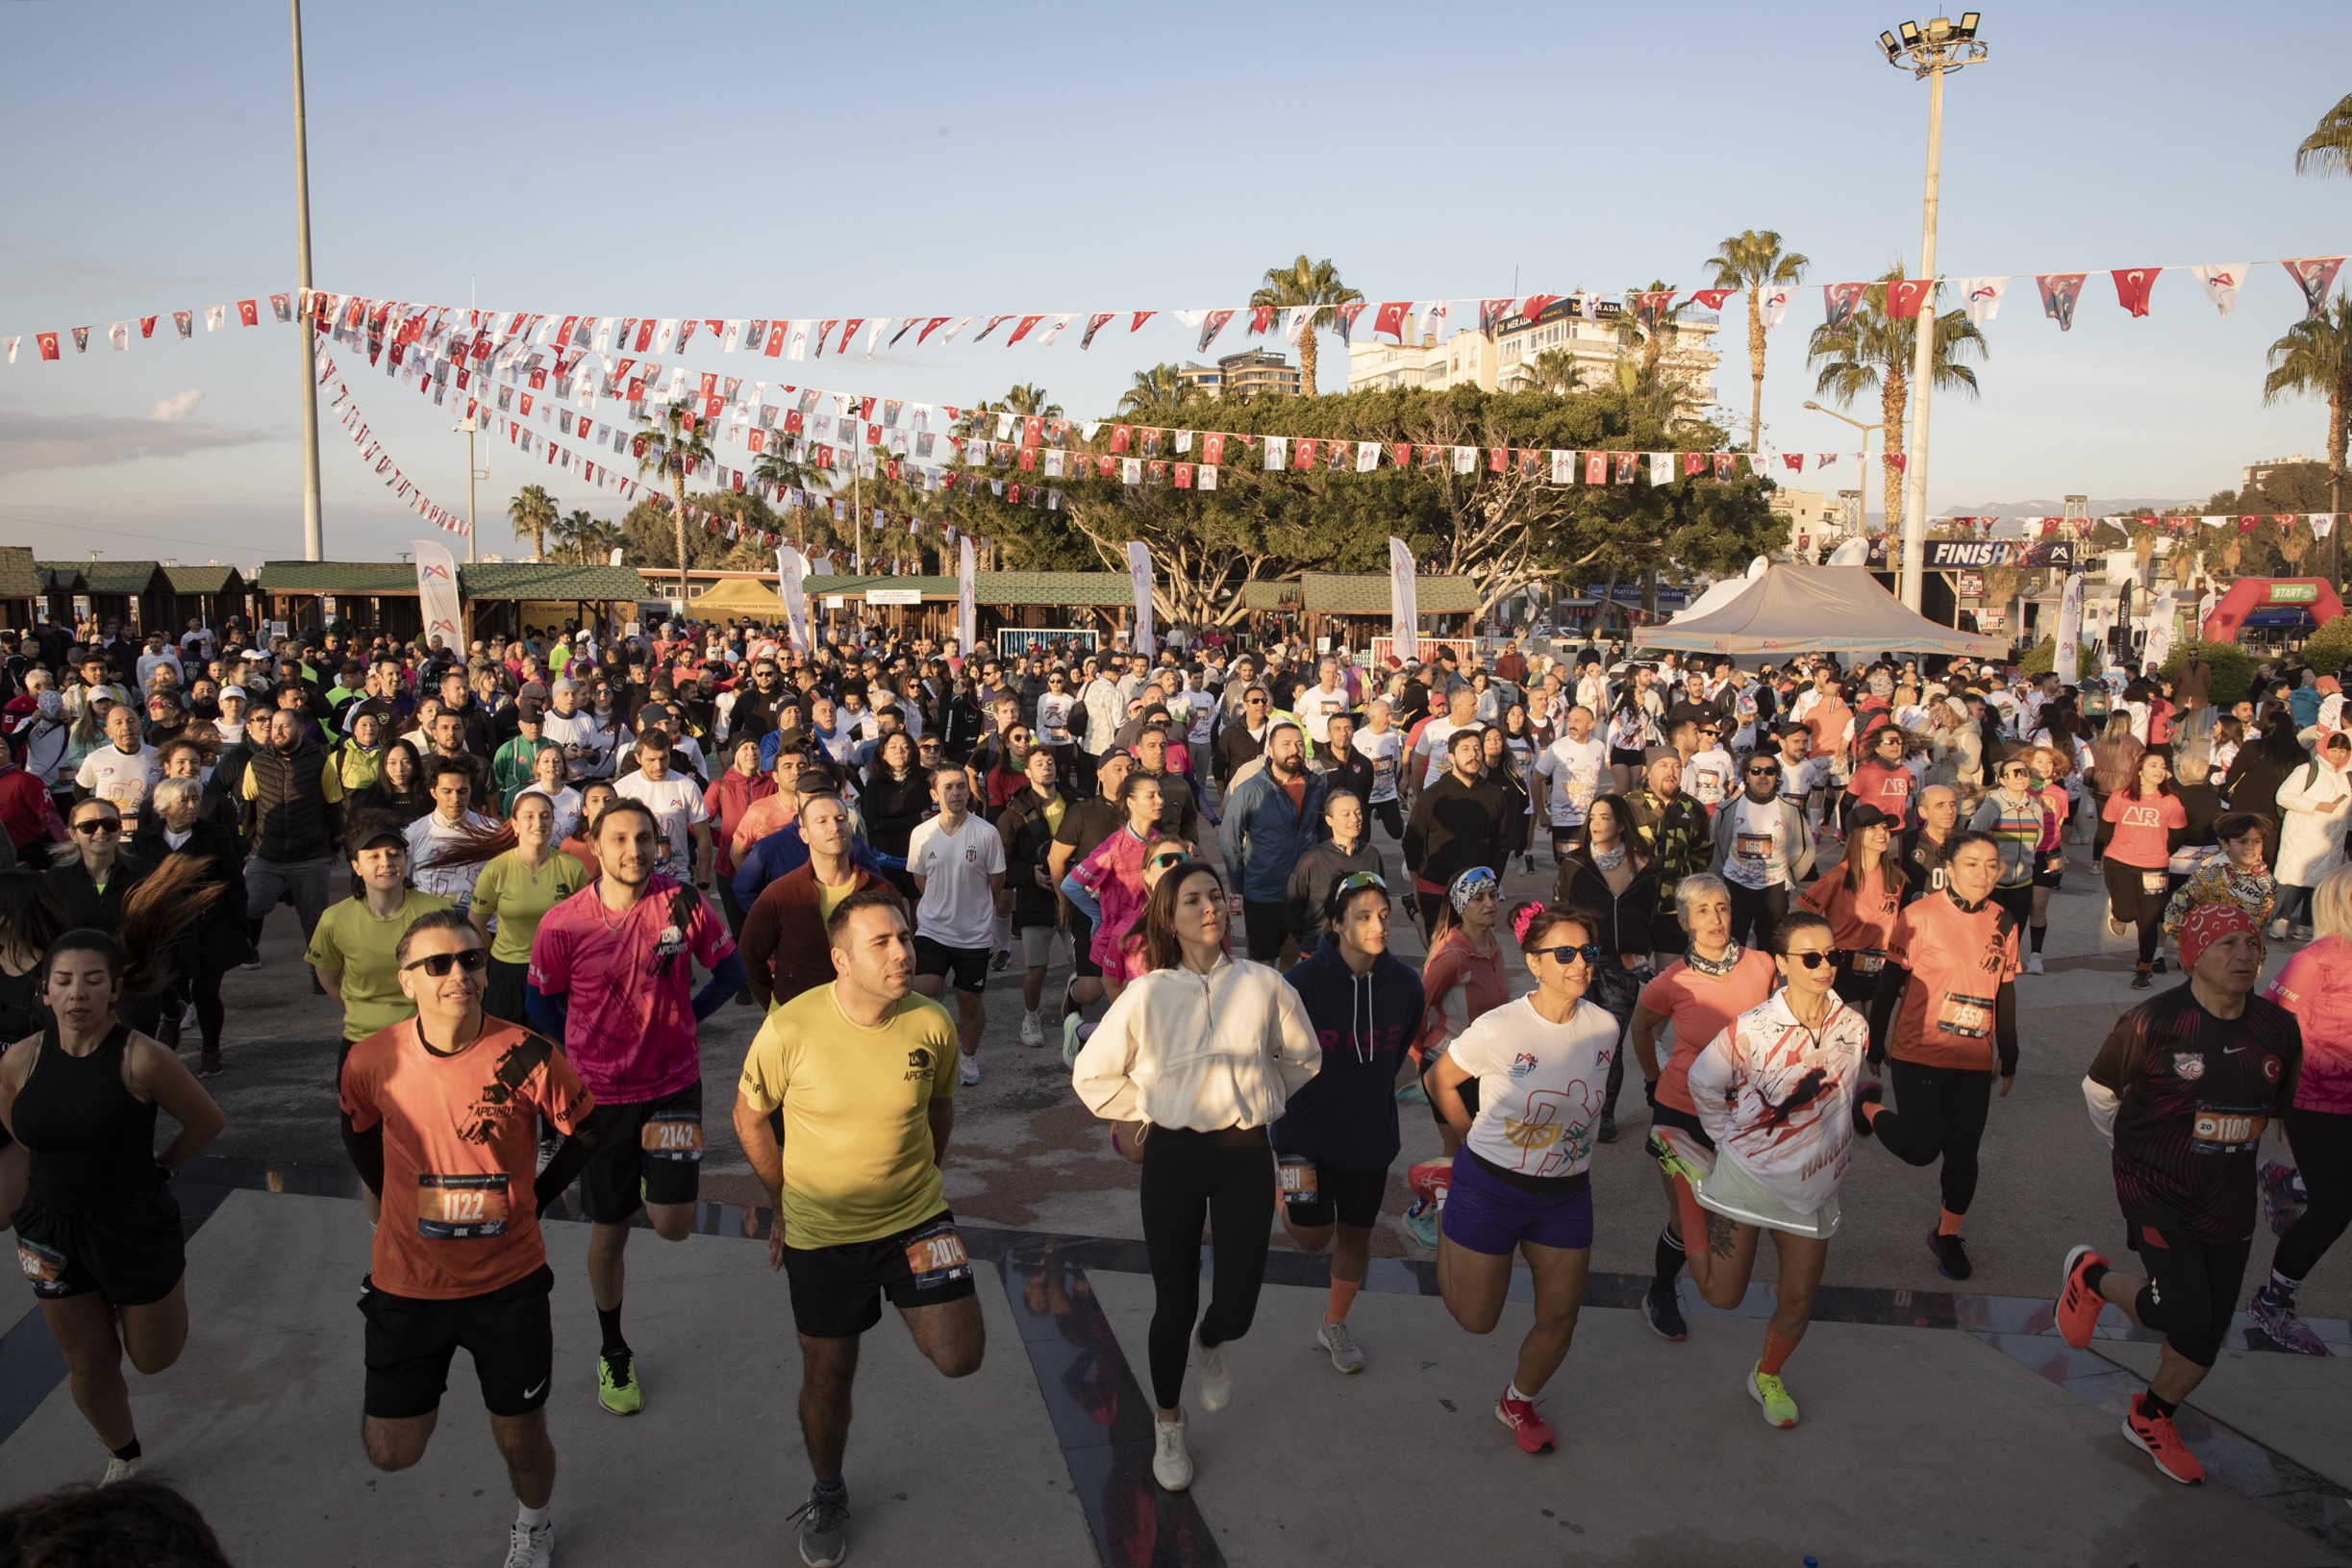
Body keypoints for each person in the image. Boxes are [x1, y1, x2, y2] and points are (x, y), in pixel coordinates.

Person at [339, 908, 597, 1568]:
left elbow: (587, 1131)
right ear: (407, 981)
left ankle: (534, 1524)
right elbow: (358, 1129)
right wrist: (394, 1198)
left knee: (521, 1440)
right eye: (439, 963)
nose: (460, 972)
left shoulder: (531, 1054)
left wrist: (535, 1197)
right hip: (407, 1286)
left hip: (507, 1286)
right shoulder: (371, 1059)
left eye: (472, 959)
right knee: (390, 1452)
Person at [731, 888, 981, 1567]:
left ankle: (906, 1293)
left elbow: (938, 1112)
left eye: (905, 937)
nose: (903, 952)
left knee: (962, 1355)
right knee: (830, 1377)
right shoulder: (791, 1027)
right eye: (883, 942)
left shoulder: (932, 1022)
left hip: (916, 1219)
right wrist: (782, 1202)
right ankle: (827, 1490)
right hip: (823, 1236)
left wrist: (923, 1183)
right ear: (841, 960)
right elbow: (748, 1117)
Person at [1070, 860, 1320, 1492]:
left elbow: (1303, 1057)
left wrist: (1261, 1093)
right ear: (1169, 917)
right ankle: (1168, 1423)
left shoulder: (1264, 984)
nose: (1209, 906)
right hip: (1173, 1157)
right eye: (1192, 899)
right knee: (1173, 1303)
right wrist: (1148, 1105)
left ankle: (1215, 1340)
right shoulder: (1147, 994)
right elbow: (1092, 1074)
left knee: (1237, 1304)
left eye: (1215, 895)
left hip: (1244, 1152)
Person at [2056, 903, 2302, 1484]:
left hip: (2229, 1196)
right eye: (2227, 944)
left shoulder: (2277, 1028)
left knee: (2206, 1335)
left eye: (2252, 943)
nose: (2244, 954)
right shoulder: (2153, 1021)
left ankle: (2151, 1417)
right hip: (2156, 1186)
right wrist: (2127, 1146)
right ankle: (2092, 1278)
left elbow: (2281, 1111)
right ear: (2193, 956)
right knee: (2186, 1313)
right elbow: (2098, 1089)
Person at [525, 797, 745, 1416]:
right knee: (610, 1231)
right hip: (598, 1102)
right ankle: (613, 1348)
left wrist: (685, 1022)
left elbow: (730, 975)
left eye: (644, 838)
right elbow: (540, 1002)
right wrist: (578, 1046)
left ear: (658, 844)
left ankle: (656, 1174)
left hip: (673, 1087)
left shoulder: (684, 903)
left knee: (673, 1225)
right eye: (619, 838)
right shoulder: (563, 922)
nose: (633, 850)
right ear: (594, 846)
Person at [0, 928, 225, 1484]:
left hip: (133, 1225)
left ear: (115, 990)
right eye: (63, 981)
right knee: (87, 1360)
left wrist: (163, 1168)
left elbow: (206, 1122)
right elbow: (19, 1130)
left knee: (153, 1357)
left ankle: (149, 1296)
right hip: (50, 1230)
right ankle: (123, 1455)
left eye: (93, 981)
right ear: (45, 991)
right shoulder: (19, 1061)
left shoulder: (143, 1058)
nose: (77, 993)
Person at [1648, 910, 1871, 1427]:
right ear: (1782, 964)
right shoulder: (1752, 1028)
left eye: (1832, 955)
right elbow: (1703, 1079)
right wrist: (1724, 1137)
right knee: (1720, 1295)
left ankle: (1766, 1376)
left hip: (1813, 1192)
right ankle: (1689, 1176)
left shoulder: (1855, 1027)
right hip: (1746, 1180)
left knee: (1798, 1301)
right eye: (1811, 957)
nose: (1825, 966)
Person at [1426, 903, 1616, 1456]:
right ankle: (1444, 1196)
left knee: (1560, 1317)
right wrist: (1467, 1142)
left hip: (1565, 1196)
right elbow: (1440, 1080)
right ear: (1534, 963)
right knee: (1475, 1320)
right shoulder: (1499, 1028)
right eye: (1565, 953)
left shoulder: (1605, 1027)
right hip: (1488, 1188)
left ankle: (1518, 1400)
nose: (1580, 963)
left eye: (1588, 951)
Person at [1274, 871, 1422, 1373]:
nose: (1378, 926)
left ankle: (1334, 1323)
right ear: (1336, 924)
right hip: (1302, 1135)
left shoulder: (1405, 985)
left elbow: (1396, 1052)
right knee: (1312, 1236)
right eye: (1363, 917)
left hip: (1368, 1135)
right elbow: (1271, 1053)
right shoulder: (1298, 984)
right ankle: (1282, 1187)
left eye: (1383, 915)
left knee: (1356, 1235)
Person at [1856, 832, 2019, 1281]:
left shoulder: (2005, 920)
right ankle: (1867, 1107)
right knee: (1920, 1148)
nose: (1983, 874)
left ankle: (1948, 1235)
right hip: (1919, 1051)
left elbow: (2005, 990)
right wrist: (1876, 1041)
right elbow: (1889, 983)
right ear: (1949, 867)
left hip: (1973, 1057)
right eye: (1972, 864)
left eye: (1991, 865)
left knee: (1963, 1153)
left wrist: (2010, 1052)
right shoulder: (1919, 915)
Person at [1626, 871, 1780, 1341]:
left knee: (1727, 1214)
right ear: (1684, 921)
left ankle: (1717, 1284)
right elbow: (1641, 1029)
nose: (1716, 919)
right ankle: (1661, 1293)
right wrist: (1653, 1080)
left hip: (1745, 1115)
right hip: (1682, 1112)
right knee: (1685, 1215)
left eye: (1722, 908)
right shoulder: (1671, 980)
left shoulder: (1763, 965)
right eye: (1703, 910)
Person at [2248, 862, 2352, 1356]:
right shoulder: (2317, 959)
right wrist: (2268, 1100)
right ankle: (2272, 1302)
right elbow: (2270, 1025)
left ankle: (2289, 1183)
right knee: (2335, 1210)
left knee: (2337, 1192)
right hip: (2315, 1099)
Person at [740, 793, 903, 1011]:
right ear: (804, 834)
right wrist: (779, 1006)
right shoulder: (781, 894)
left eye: (841, 819)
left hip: (868, 1016)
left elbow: (902, 948)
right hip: (799, 1017)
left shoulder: (881, 890)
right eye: (822, 821)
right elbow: (748, 955)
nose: (834, 827)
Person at [130, 778, 247, 1074]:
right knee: (169, 987)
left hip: (210, 927)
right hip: (167, 931)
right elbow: (138, 889)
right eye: (185, 800)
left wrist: (242, 929)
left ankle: (210, 1049)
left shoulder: (214, 834)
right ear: (164, 806)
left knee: (206, 993)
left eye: (196, 799)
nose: (193, 806)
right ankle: (172, 1015)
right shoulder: (144, 840)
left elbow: (234, 882)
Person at [906, 765, 1006, 1086]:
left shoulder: (986, 833)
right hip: (932, 929)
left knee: (969, 1003)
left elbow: (997, 881)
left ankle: (969, 1056)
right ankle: (922, 1050)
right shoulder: (921, 834)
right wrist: (941, 903)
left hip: (974, 936)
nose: (956, 793)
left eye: (961, 786)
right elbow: (921, 879)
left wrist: (974, 908)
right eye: (948, 787)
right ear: (934, 794)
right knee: (922, 989)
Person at [467, 792, 589, 1027]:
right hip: (507, 972)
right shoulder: (496, 869)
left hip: (556, 971)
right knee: (508, 1041)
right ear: (515, 825)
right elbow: (476, 925)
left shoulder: (572, 868)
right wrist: (494, 962)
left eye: (545, 816)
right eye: (529, 816)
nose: (538, 823)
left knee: (555, 1042)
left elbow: (587, 925)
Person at [239, 706, 344, 964]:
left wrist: (334, 846)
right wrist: (250, 845)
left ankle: (319, 973)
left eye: (285, 726)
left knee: (314, 920)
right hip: (267, 853)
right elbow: (249, 809)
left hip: (310, 855)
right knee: (252, 904)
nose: (277, 730)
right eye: (274, 726)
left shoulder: (321, 762)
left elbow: (334, 806)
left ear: (300, 730)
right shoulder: (256, 763)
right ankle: (250, 948)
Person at [1220, 722, 1329, 965]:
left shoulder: (1316, 786)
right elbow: (1228, 840)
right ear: (1270, 750)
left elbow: (1323, 833)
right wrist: (1243, 882)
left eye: (1299, 744)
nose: (1294, 750)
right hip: (1263, 893)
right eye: (1286, 744)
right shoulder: (1250, 790)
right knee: (1262, 964)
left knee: (1293, 959)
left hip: (1303, 891)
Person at [993, 749, 1068, 1046]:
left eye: (1050, 762)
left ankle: (1074, 1017)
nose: (1047, 767)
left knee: (1085, 967)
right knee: (1037, 970)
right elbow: (1002, 866)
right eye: (1039, 764)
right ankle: (1031, 1018)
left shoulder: (1074, 803)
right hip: (1035, 901)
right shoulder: (1012, 815)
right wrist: (1029, 875)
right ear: (1028, 772)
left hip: (1073, 899)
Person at [1799, 804, 1906, 1007]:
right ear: (1856, 834)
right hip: (1844, 969)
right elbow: (1799, 913)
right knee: (1857, 1027)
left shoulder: (1897, 877)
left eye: (1884, 827)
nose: (1882, 832)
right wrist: (1819, 951)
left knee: (1883, 1027)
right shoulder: (1838, 876)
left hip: (1883, 969)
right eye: (1872, 828)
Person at [1402, 728, 1502, 939]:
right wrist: (1416, 885)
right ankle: (1416, 913)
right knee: (1439, 947)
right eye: (1465, 749)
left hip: (1477, 888)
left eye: (1477, 749)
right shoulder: (1432, 796)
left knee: (1474, 947)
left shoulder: (1495, 795)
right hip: (1436, 886)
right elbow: (1412, 842)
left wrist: (1491, 887)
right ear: (1451, 758)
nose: (1473, 754)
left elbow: (1499, 845)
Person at [2100, 750, 2188, 989]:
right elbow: (2106, 829)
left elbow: (2179, 835)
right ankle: (2118, 912)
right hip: (2119, 861)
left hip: (2154, 867)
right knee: (2128, 912)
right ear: (2139, 771)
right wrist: (2118, 849)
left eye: (2162, 767)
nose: (2160, 770)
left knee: (2148, 922)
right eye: (2153, 766)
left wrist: (2160, 852)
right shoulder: (2120, 796)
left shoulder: (2171, 801)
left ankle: (2144, 970)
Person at [1710, 750, 1814, 949]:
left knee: (1771, 951)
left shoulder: (1790, 810)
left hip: (1775, 890)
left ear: (1777, 776)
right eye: (1756, 771)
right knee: (1730, 949)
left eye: (1770, 771)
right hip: (1734, 889)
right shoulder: (1727, 809)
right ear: (1746, 775)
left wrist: (1789, 878)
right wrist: (1718, 881)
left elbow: (1805, 850)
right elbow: (1713, 847)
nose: (1763, 776)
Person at [1626, 748, 1712, 968]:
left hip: (1673, 911)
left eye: (1676, 766)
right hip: (1634, 909)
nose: (1671, 772)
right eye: (1662, 766)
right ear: (1648, 771)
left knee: (1669, 979)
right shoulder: (1627, 807)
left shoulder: (1694, 809)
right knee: (1629, 978)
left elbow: (1702, 855)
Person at [2271, 730, 2352, 943]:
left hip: (2332, 839)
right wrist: (2315, 805)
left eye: (2342, 751)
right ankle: (2282, 919)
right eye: (2333, 750)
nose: (2337, 755)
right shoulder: (2307, 770)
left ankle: (2305, 924)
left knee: (2319, 882)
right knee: (2301, 880)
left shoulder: (2347, 777)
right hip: (2305, 835)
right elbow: (2283, 796)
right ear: (2324, 748)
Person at [1284, 790, 1384, 953]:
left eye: (1358, 813)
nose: (1355, 819)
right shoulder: (1312, 860)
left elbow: (1379, 902)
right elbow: (1292, 906)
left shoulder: (1372, 856)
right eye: (1346, 814)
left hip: (1361, 952)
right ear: (1329, 820)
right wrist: (1306, 941)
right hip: (1317, 951)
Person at [2162, 812, 2276, 951]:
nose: (2250, 847)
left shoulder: (2267, 880)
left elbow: (2263, 915)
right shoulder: (2208, 878)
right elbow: (2175, 908)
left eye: (2257, 841)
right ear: (2225, 844)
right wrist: (2185, 944)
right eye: (2242, 842)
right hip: (2208, 951)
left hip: (2246, 953)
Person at [613, 731, 713, 889]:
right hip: (636, 880)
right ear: (638, 758)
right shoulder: (621, 790)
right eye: (651, 760)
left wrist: (703, 878)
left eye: (663, 758)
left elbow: (703, 836)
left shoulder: (687, 786)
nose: (659, 766)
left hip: (678, 879)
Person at [1531, 704, 1609, 866]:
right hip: (1565, 822)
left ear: (1590, 725)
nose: (1571, 725)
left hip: (1591, 821)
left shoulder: (1599, 747)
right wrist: (1541, 813)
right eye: (1570, 720)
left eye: (1577, 721)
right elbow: (1536, 779)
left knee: (1593, 868)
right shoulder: (1558, 748)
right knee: (1568, 869)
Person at [73, 704, 163, 831]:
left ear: (140, 727)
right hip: (111, 832)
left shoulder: (158, 756)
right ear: (108, 732)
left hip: (149, 831)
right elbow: (80, 791)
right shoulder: (95, 758)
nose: (126, 727)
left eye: (131, 721)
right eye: (118, 723)